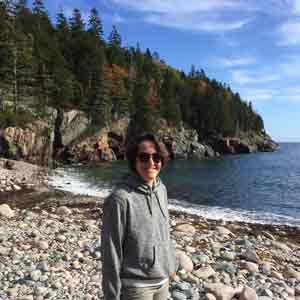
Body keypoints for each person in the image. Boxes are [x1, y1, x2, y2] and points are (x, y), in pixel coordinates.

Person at [101, 133, 177, 300]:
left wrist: (171, 265)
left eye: (156, 157)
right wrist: (112, 295)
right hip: (136, 287)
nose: (151, 163)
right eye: (144, 157)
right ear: (133, 161)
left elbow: (164, 230)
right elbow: (111, 251)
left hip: (163, 281)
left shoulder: (161, 189)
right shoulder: (120, 199)